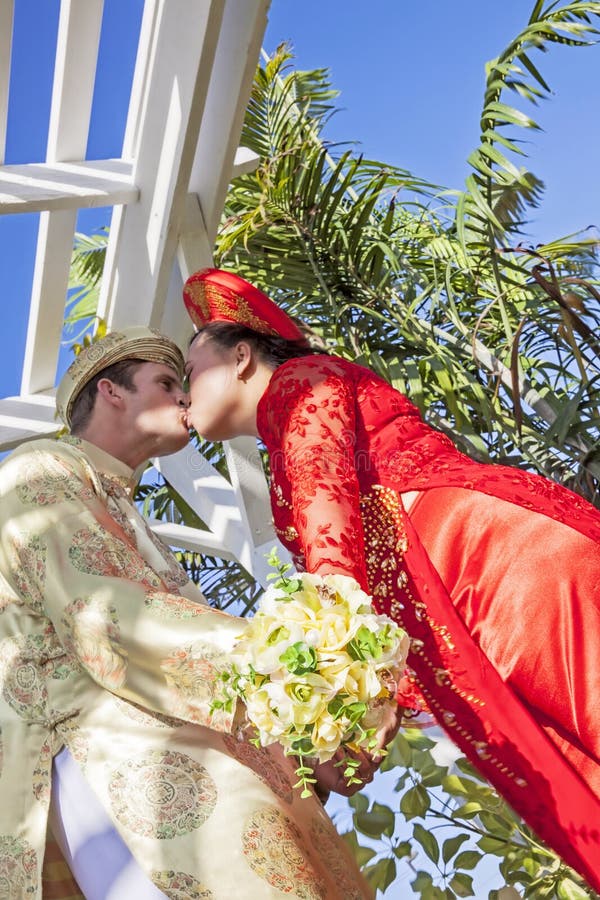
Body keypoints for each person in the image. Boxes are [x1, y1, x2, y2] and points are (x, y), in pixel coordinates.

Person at [182, 267, 600, 893]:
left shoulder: (301, 383)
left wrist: (338, 660)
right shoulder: (282, 430)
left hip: (488, 563)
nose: (184, 400)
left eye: (188, 375)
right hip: (460, 609)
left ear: (241, 357)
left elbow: (328, 510)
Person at [0, 326, 374, 900]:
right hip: (120, 755)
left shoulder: (117, 501)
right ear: (112, 391)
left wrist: (308, 729)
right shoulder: (40, 467)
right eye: (168, 382)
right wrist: (296, 669)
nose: (184, 398)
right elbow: (108, 617)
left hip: (182, 747)